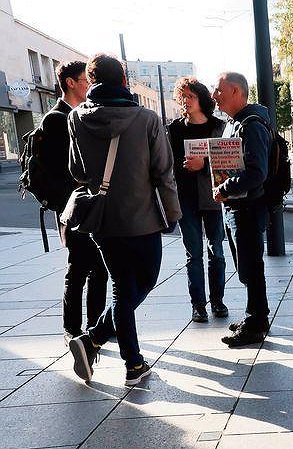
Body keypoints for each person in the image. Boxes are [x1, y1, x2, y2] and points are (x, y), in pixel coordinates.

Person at [67, 54, 181, 385]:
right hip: (142, 219)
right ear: (123, 79)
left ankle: (95, 341)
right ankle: (127, 361)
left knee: (122, 288)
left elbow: (77, 171)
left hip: (102, 219)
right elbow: (164, 171)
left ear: (91, 81)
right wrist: (172, 213)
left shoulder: (76, 119)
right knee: (140, 284)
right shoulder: (146, 118)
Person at [40, 61, 108, 345]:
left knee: (99, 267)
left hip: (88, 202)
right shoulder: (57, 119)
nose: (88, 85)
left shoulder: (81, 115)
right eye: (84, 80)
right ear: (69, 82)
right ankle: (73, 327)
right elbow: (61, 169)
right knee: (79, 266)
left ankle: (95, 326)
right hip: (73, 207)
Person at [212, 72, 272, 347]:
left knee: (251, 266)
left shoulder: (251, 125)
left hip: (247, 207)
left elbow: (256, 172)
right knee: (247, 266)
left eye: (219, 90)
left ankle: (256, 321)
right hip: (238, 206)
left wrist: (224, 189)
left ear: (236, 91)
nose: (215, 96)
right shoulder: (236, 123)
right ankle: (255, 316)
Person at [167, 77, 228, 323]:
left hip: (214, 197)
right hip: (186, 198)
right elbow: (167, 165)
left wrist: (203, 166)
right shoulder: (174, 129)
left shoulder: (220, 127)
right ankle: (198, 305)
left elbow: (230, 165)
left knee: (217, 252)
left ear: (201, 98)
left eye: (190, 96)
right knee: (194, 254)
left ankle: (218, 301)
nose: (185, 101)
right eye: (182, 96)